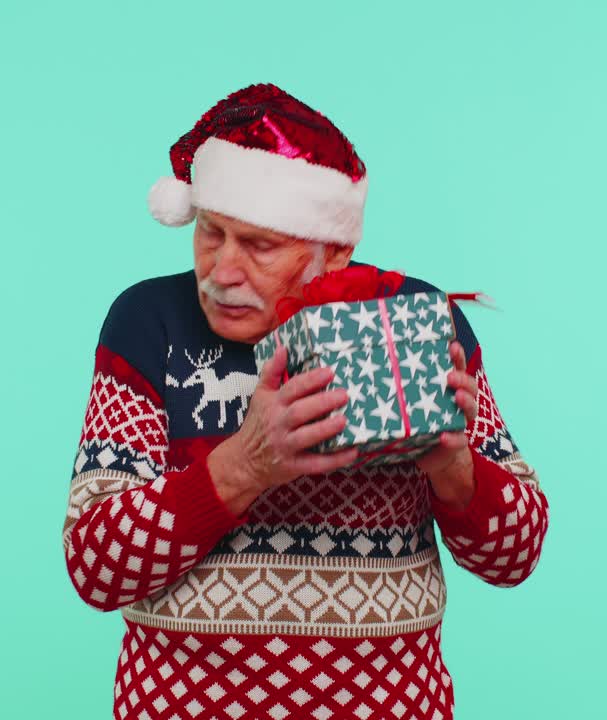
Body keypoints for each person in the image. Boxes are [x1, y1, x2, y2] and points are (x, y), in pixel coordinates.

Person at [62, 83, 550, 720]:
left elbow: (515, 555)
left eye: (260, 246)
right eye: (211, 233)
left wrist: (455, 469)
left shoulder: (412, 324)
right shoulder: (149, 322)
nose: (222, 270)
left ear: (334, 251)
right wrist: (243, 467)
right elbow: (96, 567)